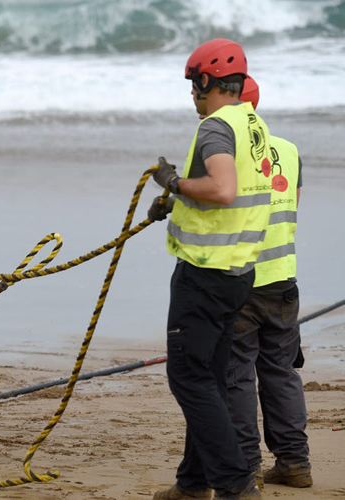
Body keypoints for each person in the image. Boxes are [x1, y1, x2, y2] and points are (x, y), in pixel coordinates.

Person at [148, 39, 272, 500]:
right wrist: (177, 197)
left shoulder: (216, 128)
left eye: (192, 84)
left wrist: (174, 181)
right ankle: (193, 483)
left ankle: (235, 484)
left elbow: (222, 189)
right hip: (239, 273)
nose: (192, 95)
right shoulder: (252, 123)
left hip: (206, 273)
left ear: (205, 81)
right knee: (211, 377)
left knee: (189, 378)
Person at [225, 77, 312, 488]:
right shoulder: (290, 151)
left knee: (237, 376)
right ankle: (295, 464)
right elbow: (292, 204)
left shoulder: (226, 154)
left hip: (240, 281)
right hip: (283, 280)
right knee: (280, 373)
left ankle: (245, 469)